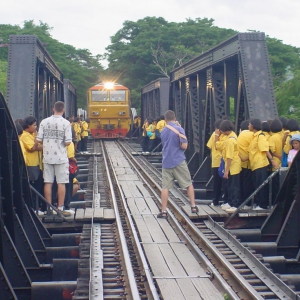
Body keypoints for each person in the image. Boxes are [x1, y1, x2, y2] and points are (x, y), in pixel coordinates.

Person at [157, 110, 197, 218]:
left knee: (165, 187)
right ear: (175, 118)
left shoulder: (163, 131)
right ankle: (193, 206)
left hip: (166, 162)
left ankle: (164, 211)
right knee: (188, 183)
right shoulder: (179, 129)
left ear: (165, 120)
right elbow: (184, 146)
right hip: (178, 160)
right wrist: (180, 129)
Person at [36, 101, 72, 216]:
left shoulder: (44, 122)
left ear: (53, 109)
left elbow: (39, 139)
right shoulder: (66, 123)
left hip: (47, 156)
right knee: (61, 183)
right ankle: (60, 207)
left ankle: (49, 207)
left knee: (48, 182)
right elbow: (67, 142)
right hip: (61, 157)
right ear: (63, 110)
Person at [20, 116, 44, 213]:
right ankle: (33, 207)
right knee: (33, 186)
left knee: (38, 185)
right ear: (28, 125)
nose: (36, 127)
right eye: (34, 125)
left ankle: (38, 207)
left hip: (37, 163)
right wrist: (39, 143)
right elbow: (33, 148)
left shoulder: (32, 134)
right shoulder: (25, 135)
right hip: (31, 165)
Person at [218, 120, 241, 213]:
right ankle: (231, 202)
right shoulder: (233, 135)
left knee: (233, 186)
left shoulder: (230, 140)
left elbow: (229, 157)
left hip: (232, 166)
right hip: (234, 165)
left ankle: (235, 204)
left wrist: (226, 170)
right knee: (231, 185)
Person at [207, 119, 223, 206]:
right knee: (225, 182)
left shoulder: (214, 135)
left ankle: (215, 200)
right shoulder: (225, 135)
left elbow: (209, 146)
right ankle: (225, 200)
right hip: (224, 162)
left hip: (216, 161)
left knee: (216, 183)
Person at [237, 120, 254, 206]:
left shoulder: (241, 134)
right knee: (248, 183)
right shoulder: (251, 134)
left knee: (242, 183)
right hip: (249, 163)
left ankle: (242, 201)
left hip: (241, 162)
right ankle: (249, 202)